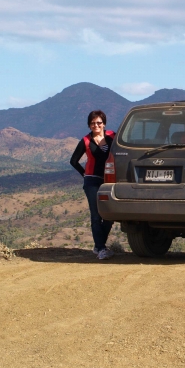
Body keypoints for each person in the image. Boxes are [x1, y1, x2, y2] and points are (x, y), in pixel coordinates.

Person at [70, 110, 116, 260]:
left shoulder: (112, 136)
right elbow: (73, 161)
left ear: (104, 123)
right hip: (92, 181)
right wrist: (84, 174)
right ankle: (102, 249)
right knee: (96, 216)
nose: (96, 125)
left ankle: (98, 245)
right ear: (89, 125)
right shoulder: (85, 141)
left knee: (109, 215)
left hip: (109, 180)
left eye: (99, 122)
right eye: (92, 123)